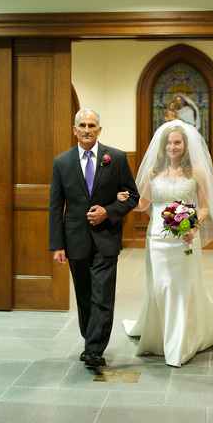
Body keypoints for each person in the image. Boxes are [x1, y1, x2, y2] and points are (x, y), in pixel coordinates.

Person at [122, 120, 213, 366]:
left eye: (177, 142)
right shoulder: (152, 171)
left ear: (185, 145)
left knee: (183, 287)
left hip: (185, 238)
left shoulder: (196, 171)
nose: (172, 146)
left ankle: (181, 342)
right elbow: (143, 204)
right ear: (162, 145)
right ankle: (160, 336)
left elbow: (205, 207)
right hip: (157, 238)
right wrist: (124, 199)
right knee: (161, 286)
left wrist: (193, 227)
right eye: (168, 142)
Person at [48, 109, 139, 368]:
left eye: (92, 125)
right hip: (75, 238)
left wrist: (108, 212)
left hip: (106, 238)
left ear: (99, 130)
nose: (87, 129)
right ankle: (90, 340)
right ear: (74, 129)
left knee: (102, 294)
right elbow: (56, 206)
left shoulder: (117, 158)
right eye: (82, 125)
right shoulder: (62, 162)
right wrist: (57, 245)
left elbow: (132, 196)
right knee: (85, 296)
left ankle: (95, 349)